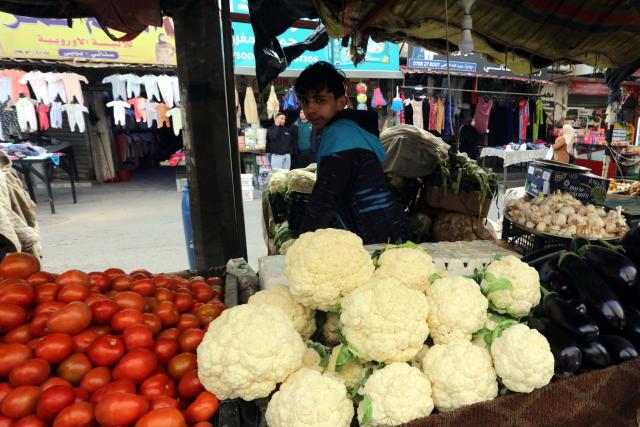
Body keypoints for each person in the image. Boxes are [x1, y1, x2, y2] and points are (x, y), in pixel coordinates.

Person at [294, 61, 414, 244]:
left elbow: (323, 203)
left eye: (320, 100)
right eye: (304, 101)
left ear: (341, 102)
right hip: (388, 234)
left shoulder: (340, 136)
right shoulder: (357, 130)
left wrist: (301, 245)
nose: (310, 109)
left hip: (374, 242)